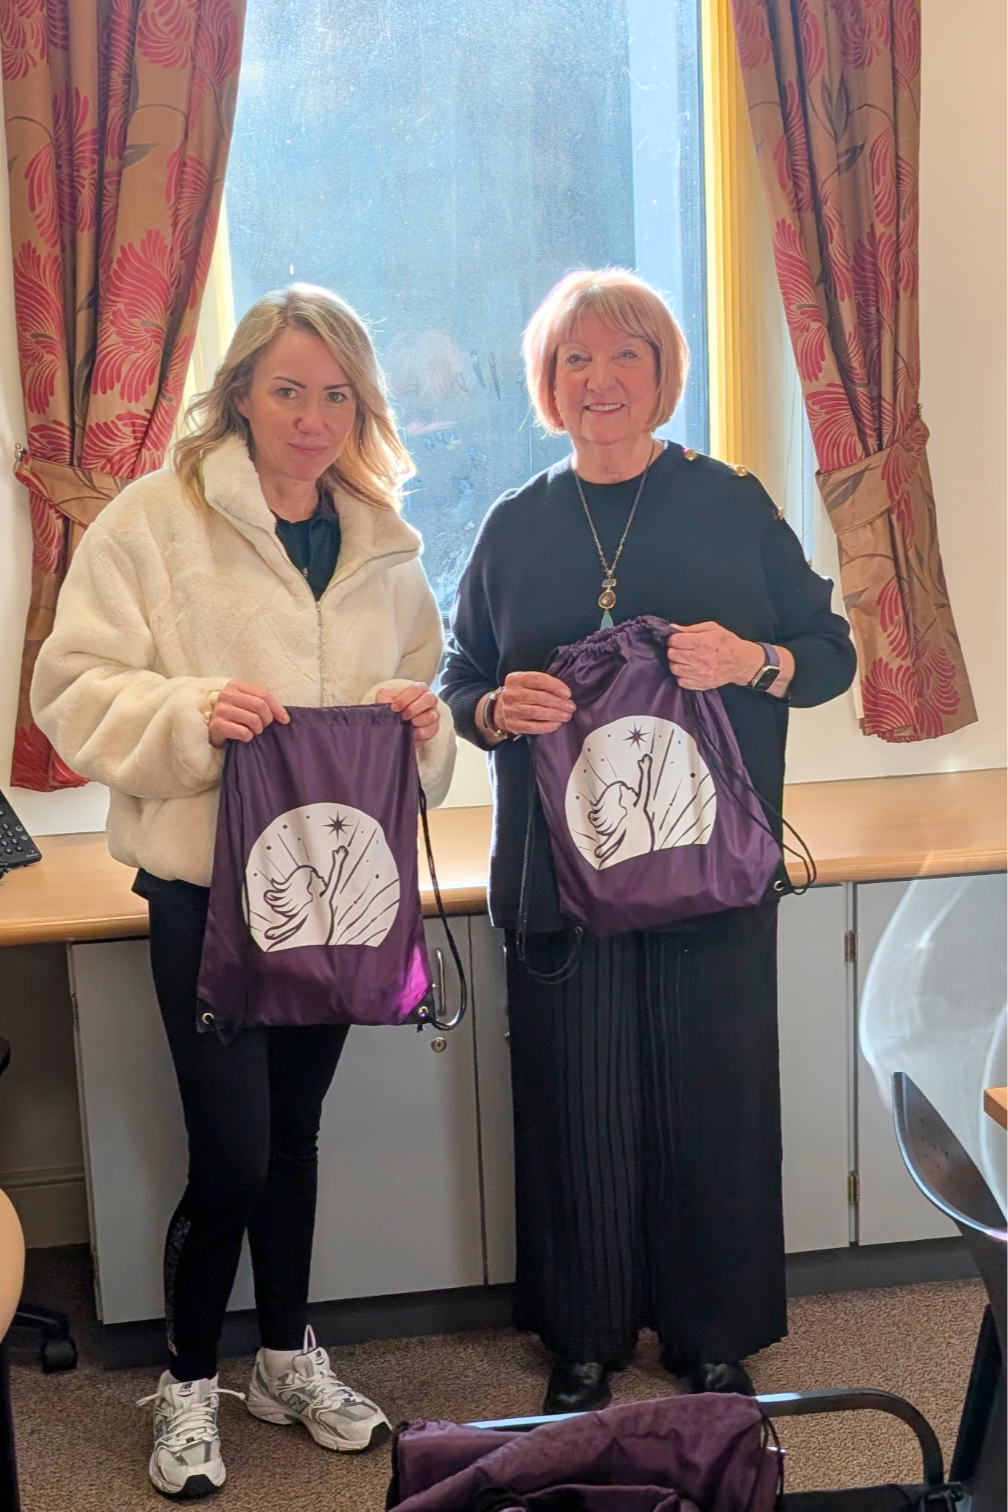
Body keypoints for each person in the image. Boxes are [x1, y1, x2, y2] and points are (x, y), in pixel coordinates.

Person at [31, 285, 455, 1498]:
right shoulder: (153, 521)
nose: (313, 418)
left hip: (335, 893)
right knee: (230, 1157)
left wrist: (423, 729)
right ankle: (185, 1380)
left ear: (359, 409)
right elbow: (70, 685)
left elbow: (423, 713)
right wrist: (188, 712)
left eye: (337, 396)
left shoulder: (383, 545)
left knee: (294, 1138)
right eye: (288, 391)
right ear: (240, 395)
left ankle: (281, 1359)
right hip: (208, 894)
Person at [441, 268, 856, 1415]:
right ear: (548, 384)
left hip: (709, 870)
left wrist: (754, 661)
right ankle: (583, 1338)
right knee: (575, 1110)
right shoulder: (514, 527)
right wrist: (495, 709)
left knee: (711, 1103)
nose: (601, 378)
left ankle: (711, 1334)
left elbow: (828, 654)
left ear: (666, 374)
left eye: (626, 354)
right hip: (558, 880)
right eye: (575, 358)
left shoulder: (731, 502)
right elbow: (458, 677)